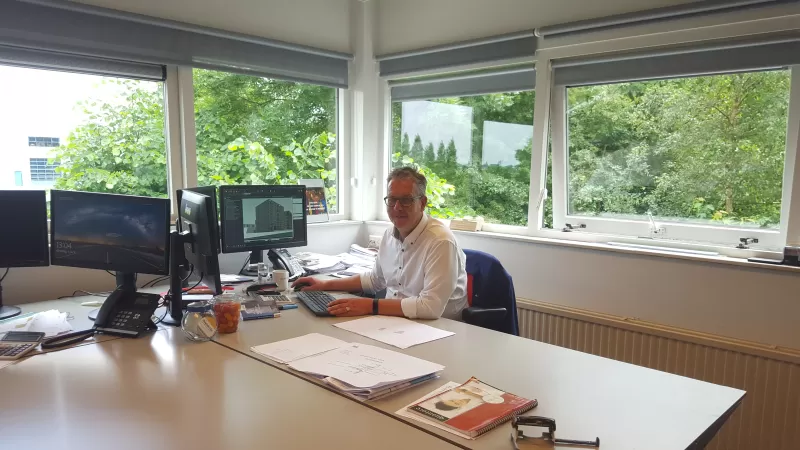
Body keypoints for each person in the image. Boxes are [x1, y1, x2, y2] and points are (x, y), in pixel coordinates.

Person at [292, 166, 468, 320]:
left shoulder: (440, 242)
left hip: (439, 329)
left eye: (406, 200)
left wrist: (370, 306)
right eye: (392, 200)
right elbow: (374, 280)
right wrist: (324, 285)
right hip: (394, 323)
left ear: (422, 203)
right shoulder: (389, 235)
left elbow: (431, 307)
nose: (397, 207)